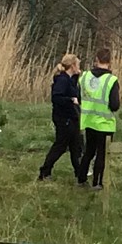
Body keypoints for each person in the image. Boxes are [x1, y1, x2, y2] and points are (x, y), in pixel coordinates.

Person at [76, 48, 121, 190]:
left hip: (88, 121)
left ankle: (81, 178)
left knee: (89, 151)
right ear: (110, 61)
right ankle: (97, 182)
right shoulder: (111, 80)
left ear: (96, 59)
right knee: (102, 154)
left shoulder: (84, 76)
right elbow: (114, 105)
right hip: (105, 124)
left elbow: (79, 97)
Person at [37, 53, 82, 182]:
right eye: (77, 64)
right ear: (72, 65)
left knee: (76, 146)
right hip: (64, 119)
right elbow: (56, 98)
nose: (79, 67)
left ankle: (80, 175)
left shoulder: (70, 79)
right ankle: (44, 172)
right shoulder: (62, 80)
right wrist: (71, 100)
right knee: (61, 146)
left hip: (72, 118)